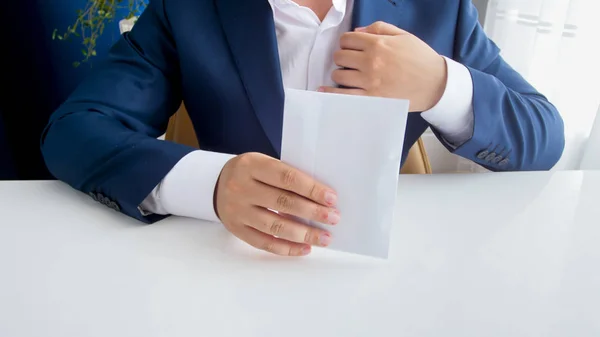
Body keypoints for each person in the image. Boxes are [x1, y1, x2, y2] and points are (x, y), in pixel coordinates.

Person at [41, 0, 565, 257]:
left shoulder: (437, 7)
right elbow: (75, 130)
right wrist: (215, 185)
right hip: (229, 266)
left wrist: (441, 84)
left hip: (384, 272)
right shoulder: (190, 6)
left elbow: (544, 134)